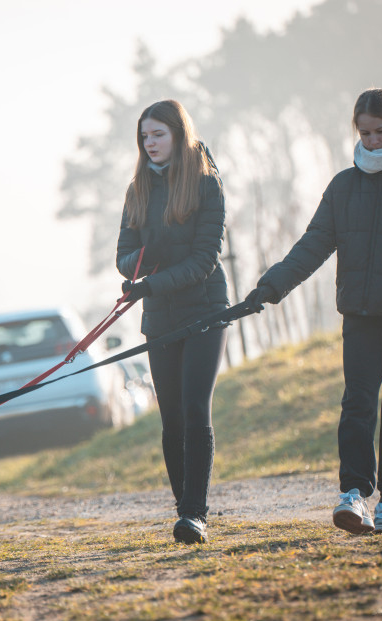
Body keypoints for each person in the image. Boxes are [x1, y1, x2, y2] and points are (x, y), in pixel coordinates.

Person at [245, 88, 382, 533]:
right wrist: (271, 286)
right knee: (358, 404)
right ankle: (353, 495)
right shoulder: (344, 186)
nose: (372, 141)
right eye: (364, 133)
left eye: (381, 132)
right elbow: (313, 245)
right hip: (361, 318)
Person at [116, 99, 231, 544]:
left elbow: (205, 260)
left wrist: (152, 282)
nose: (150, 143)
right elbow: (124, 257)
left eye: (158, 134)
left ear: (179, 134)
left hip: (204, 311)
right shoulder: (136, 190)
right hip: (159, 318)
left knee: (194, 409)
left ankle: (193, 514)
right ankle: (184, 506)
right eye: (144, 137)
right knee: (171, 420)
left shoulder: (206, 186)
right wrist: (141, 266)